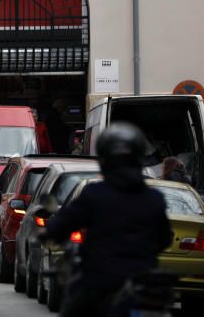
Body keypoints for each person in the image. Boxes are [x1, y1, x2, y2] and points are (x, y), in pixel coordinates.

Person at [42, 122, 172, 317]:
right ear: (138, 157)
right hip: (142, 279)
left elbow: (63, 223)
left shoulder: (94, 194)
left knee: (73, 305)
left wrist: (49, 230)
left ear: (105, 159)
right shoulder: (154, 198)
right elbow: (164, 238)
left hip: (100, 279)